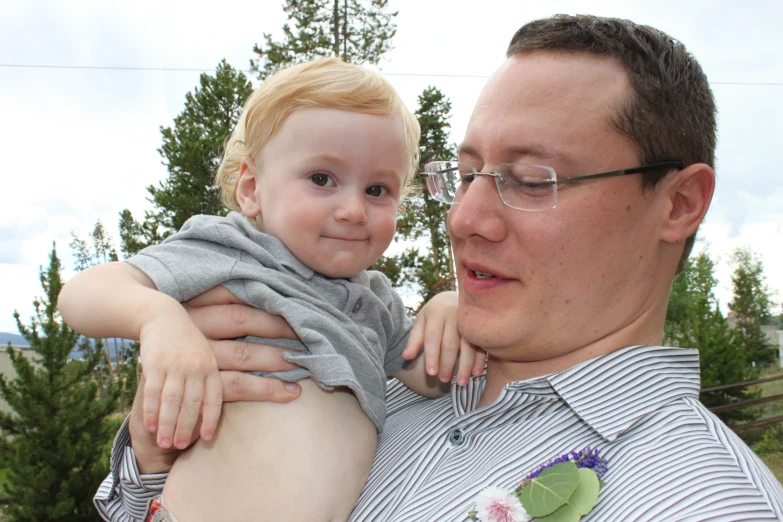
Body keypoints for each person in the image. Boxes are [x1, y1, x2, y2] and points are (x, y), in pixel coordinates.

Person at [93, 14, 783, 522]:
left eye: (532, 178)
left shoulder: (701, 501)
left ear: (678, 203)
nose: (464, 220)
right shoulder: (370, 372)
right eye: (464, 175)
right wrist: (153, 459)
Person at [60, 57, 486, 521]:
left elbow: (434, 379)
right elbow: (82, 294)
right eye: (322, 179)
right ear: (251, 189)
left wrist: (448, 309)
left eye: (378, 190)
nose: (353, 210)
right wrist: (160, 319)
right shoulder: (231, 252)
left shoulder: (373, 302)